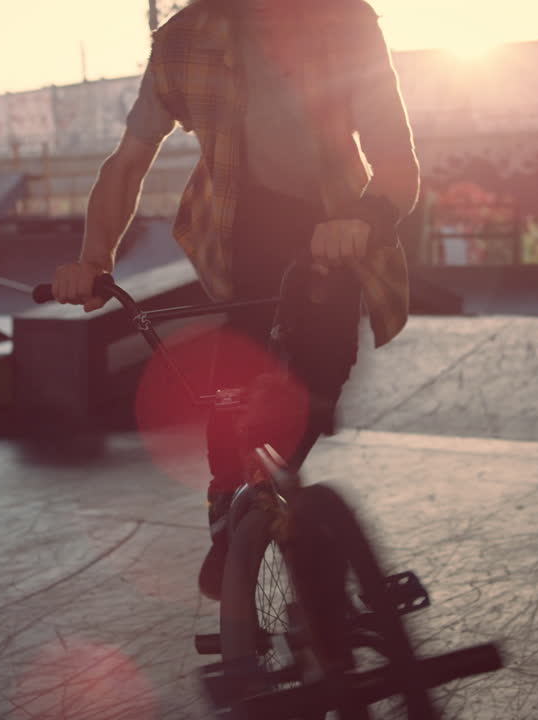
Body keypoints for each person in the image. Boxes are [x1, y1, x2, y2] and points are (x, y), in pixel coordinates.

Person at [51, 0, 420, 600]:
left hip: (335, 230)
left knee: (318, 385)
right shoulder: (183, 44)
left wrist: (366, 218)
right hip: (243, 233)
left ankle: (277, 494)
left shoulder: (347, 22)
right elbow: (125, 165)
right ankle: (229, 513)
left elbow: (397, 161)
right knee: (230, 393)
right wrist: (93, 261)